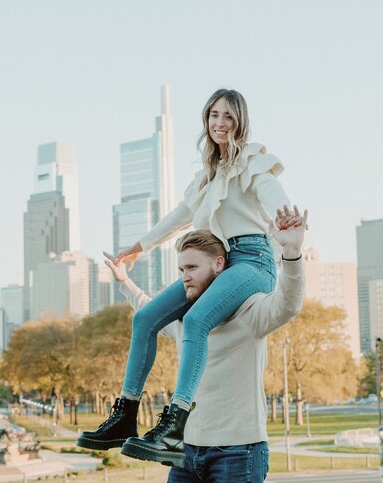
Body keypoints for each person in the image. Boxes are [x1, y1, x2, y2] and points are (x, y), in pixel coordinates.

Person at [77, 89, 292, 464]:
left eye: (227, 116)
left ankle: (176, 423)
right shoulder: (207, 177)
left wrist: (286, 220)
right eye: (213, 116)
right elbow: (178, 216)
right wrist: (137, 248)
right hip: (220, 260)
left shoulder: (253, 162)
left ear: (240, 121)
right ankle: (125, 415)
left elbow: (273, 194)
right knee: (145, 319)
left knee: (195, 320)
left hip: (253, 261)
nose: (220, 124)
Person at [107, 205, 306, 481]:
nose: (184, 276)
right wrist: (124, 282)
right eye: (180, 269)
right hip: (185, 452)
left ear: (219, 265)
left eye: (191, 268)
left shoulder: (251, 311)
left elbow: (288, 303)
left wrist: (292, 254)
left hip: (239, 452)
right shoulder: (184, 321)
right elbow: (148, 314)